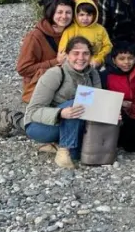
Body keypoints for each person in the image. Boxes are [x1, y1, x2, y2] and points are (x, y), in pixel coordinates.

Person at [0, 0, 77, 138]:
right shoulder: (35, 36)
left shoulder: (74, 32)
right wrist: (54, 62)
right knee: (49, 127)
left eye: (68, 12)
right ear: (51, 12)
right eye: (60, 12)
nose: (64, 16)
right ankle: (15, 118)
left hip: (65, 85)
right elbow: (23, 68)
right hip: (40, 87)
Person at [23, 36, 102, 169]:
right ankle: (64, 150)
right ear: (67, 55)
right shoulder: (55, 74)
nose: (81, 58)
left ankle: (58, 146)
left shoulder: (93, 74)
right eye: (76, 53)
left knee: (80, 155)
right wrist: (60, 113)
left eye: (85, 53)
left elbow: (97, 103)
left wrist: (110, 113)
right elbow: (33, 111)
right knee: (75, 104)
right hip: (41, 126)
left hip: (74, 121)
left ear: (91, 56)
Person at [100, 41, 135, 152]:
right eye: (122, 59)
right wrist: (119, 102)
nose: (126, 62)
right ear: (114, 60)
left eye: (130, 58)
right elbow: (99, 98)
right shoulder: (105, 76)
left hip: (134, 114)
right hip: (112, 115)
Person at [57, 0, 112, 67]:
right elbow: (62, 50)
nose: (85, 18)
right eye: (81, 15)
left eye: (89, 15)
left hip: (94, 65)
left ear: (94, 15)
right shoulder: (70, 30)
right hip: (74, 65)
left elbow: (108, 46)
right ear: (75, 15)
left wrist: (98, 59)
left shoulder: (101, 29)